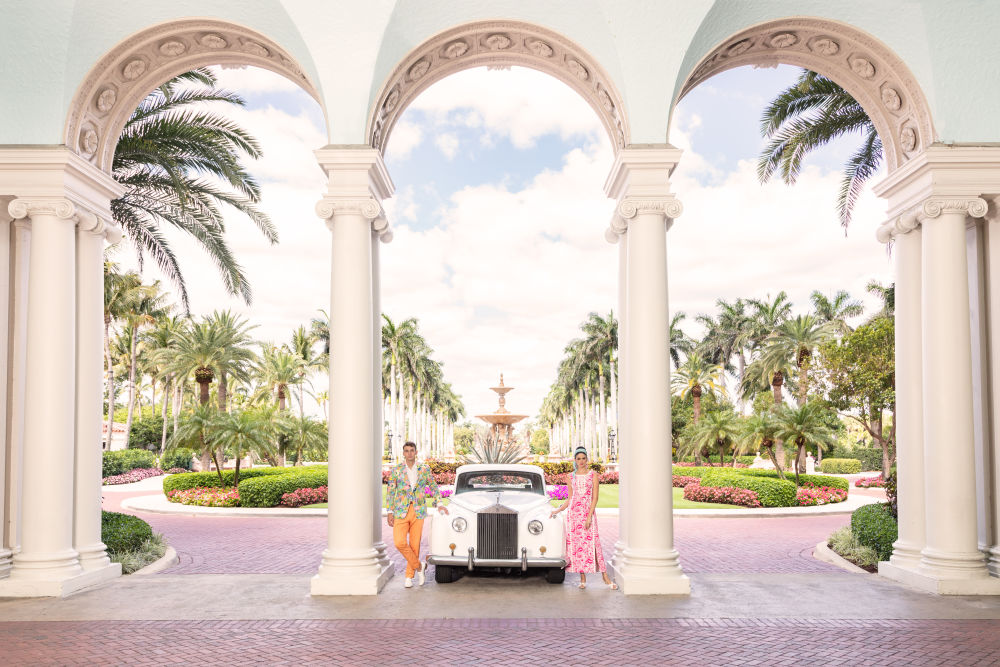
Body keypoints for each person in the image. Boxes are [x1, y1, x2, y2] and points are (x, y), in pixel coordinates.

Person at [550, 446, 618, 590]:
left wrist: (588, 517)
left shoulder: (593, 475)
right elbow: (570, 498)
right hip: (573, 515)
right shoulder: (570, 477)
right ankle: (582, 578)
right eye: (578, 458)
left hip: (587, 514)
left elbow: (595, 497)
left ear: (587, 459)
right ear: (575, 460)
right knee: (577, 547)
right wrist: (558, 510)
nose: (581, 461)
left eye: (583, 458)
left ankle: (605, 577)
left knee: (594, 544)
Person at [385, 441, 448, 588]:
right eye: (406, 451)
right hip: (401, 511)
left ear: (416, 452)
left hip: (418, 511)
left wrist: (439, 504)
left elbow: (433, 486)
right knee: (399, 542)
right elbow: (390, 491)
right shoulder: (396, 470)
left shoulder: (424, 469)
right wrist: (390, 511)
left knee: (414, 545)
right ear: (403, 453)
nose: (409, 453)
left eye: (411, 450)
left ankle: (409, 576)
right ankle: (420, 567)